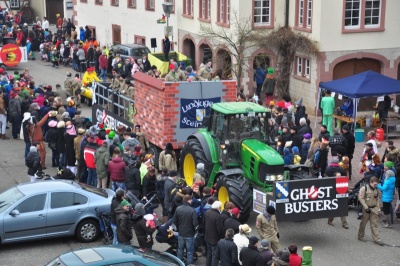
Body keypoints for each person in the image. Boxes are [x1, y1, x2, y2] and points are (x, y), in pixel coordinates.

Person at [358, 176, 384, 246]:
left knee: (374, 224)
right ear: (370, 183)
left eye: (376, 184)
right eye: (375, 184)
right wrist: (366, 208)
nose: (376, 186)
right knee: (363, 223)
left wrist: (378, 209)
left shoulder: (376, 190)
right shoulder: (364, 188)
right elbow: (361, 198)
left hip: (374, 209)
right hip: (366, 209)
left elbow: (377, 200)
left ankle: (377, 239)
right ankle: (360, 236)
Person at [174, 195, 198, 266]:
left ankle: (178, 263)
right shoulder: (192, 210)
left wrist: (176, 229)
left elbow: (174, 221)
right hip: (189, 234)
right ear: (189, 200)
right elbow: (195, 223)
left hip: (181, 233)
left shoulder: (178, 209)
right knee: (190, 251)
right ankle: (189, 264)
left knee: (180, 250)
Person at [204, 200, 223, 266]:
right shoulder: (218, 216)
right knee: (215, 256)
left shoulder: (207, 212)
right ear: (218, 207)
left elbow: (203, 223)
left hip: (207, 237)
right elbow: (219, 229)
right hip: (215, 239)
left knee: (209, 254)